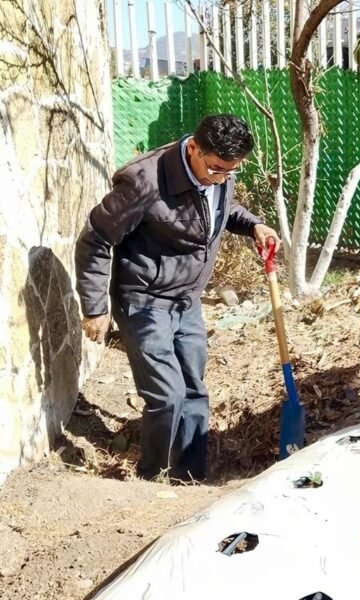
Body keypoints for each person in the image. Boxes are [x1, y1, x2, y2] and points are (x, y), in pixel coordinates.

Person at [75, 114, 280, 482]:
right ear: (193, 149)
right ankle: (150, 477)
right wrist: (94, 308)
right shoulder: (144, 182)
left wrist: (253, 225)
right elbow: (95, 238)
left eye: (230, 172)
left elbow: (218, 209)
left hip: (187, 299)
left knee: (194, 392)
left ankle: (189, 478)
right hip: (144, 299)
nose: (222, 178)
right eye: (216, 169)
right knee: (167, 396)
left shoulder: (219, 173)